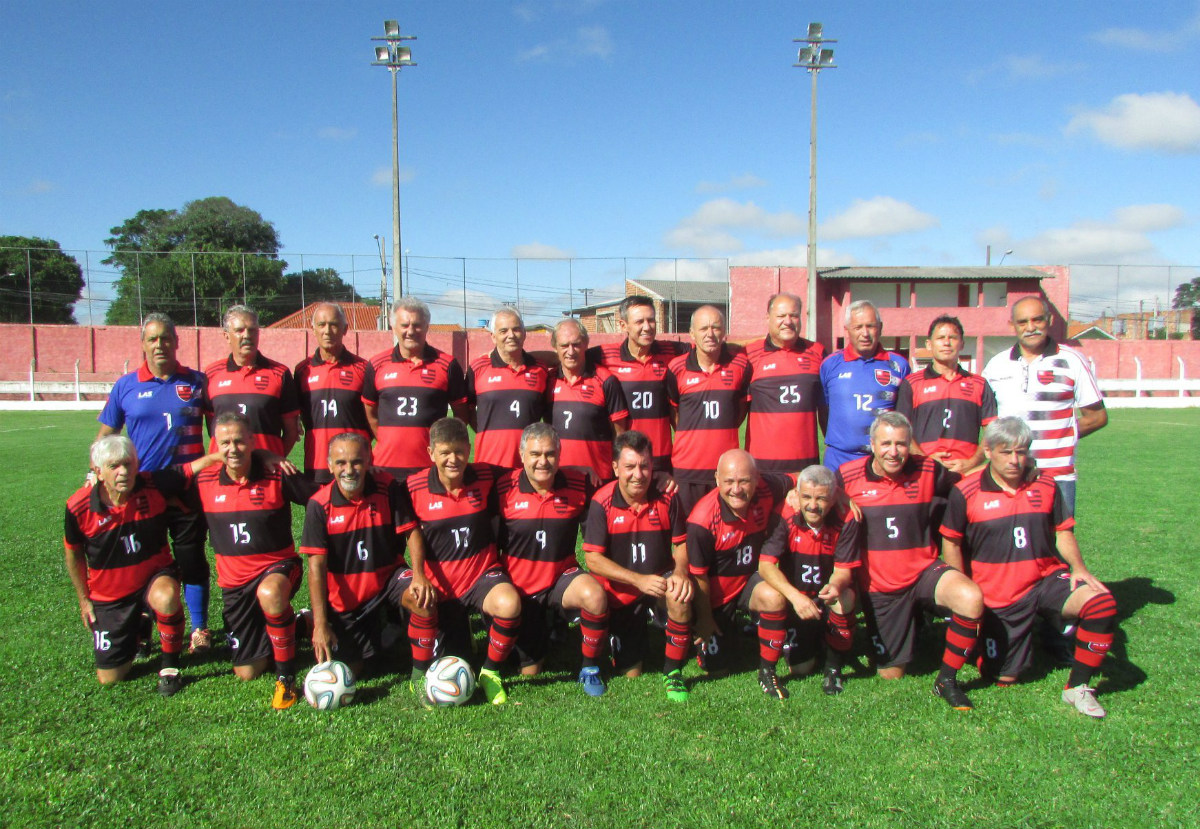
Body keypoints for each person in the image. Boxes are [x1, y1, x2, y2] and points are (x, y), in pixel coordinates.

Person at [940, 417, 1117, 718]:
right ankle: (985, 646)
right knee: (1003, 677)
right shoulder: (966, 491)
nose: (1015, 460)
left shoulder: (1045, 484)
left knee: (1101, 604)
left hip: (1045, 579)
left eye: (1021, 452)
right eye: (1006, 452)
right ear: (988, 451)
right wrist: (963, 592)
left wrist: (1079, 568)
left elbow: (1063, 532)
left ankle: (1077, 688)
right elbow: (952, 544)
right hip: (999, 594)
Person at [835, 411, 984, 710]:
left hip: (924, 571)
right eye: (886, 443)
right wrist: (806, 496)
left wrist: (1003, 466)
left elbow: (966, 482)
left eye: (901, 444)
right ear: (872, 444)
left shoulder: (928, 470)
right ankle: (910, 628)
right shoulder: (847, 476)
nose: (894, 452)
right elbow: (815, 489)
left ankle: (947, 680)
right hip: (881, 586)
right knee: (891, 674)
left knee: (970, 597)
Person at [64, 436, 219, 695]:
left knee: (167, 596)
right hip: (110, 596)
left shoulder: (152, 484)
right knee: (111, 677)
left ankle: (170, 667)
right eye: (114, 466)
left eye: (128, 464)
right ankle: (139, 624)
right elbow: (73, 554)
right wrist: (84, 599)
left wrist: (218, 456)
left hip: (153, 577)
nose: (123, 472)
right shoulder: (78, 507)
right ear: (98, 472)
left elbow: (188, 469)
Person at [96, 313, 214, 653]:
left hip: (188, 487)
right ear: (143, 344)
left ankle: (200, 629)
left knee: (191, 559)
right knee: (145, 563)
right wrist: (97, 470)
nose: (159, 344)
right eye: (152, 339)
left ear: (177, 342)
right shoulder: (126, 386)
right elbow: (106, 436)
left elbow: (216, 431)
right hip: (143, 491)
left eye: (165, 338)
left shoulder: (196, 382)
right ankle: (146, 625)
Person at [189, 412, 318, 709]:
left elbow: (318, 498)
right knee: (248, 671)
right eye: (225, 443)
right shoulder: (205, 481)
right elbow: (165, 481)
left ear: (251, 441)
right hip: (235, 585)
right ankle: (297, 624)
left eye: (239, 441)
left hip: (279, 568)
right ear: (215, 445)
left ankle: (286, 679)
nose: (233, 449)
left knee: (270, 594)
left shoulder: (276, 473)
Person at [395, 417, 522, 705]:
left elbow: (523, 476)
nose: (454, 459)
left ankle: (490, 673)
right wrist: (418, 574)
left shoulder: (486, 476)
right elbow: (407, 531)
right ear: (431, 453)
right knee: (455, 652)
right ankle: (418, 672)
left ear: (470, 449)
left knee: (509, 603)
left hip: (481, 576)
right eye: (445, 452)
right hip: (439, 585)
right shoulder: (412, 488)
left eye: (460, 451)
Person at [497, 422, 609, 695]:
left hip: (561, 579)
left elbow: (617, 491)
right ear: (522, 455)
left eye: (550, 454)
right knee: (530, 672)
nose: (542, 461)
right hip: (521, 588)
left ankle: (590, 667)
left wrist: (661, 481)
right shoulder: (502, 487)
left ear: (560, 455)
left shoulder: (579, 484)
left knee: (594, 596)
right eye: (535, 454)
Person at [582, 430, 693, 701]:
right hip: (622, 593)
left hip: (660, 582)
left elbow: (681, 544)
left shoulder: (668, 497)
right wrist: (638, 580)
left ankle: (673, 673)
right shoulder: (602, 502)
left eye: (644, 465)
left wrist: (679, 572)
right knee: (631, 671)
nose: (638, 474)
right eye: (630, 466)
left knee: (679, 593)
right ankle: (615, 638)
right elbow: (593, 559)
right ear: (616, 467)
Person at [685, 449, 799, 700]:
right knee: (719, 670)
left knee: (773, 597)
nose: (736, 489)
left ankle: (767, 671)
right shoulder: (702, 520)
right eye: (729, 481)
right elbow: (700, 578)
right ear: (717, 479)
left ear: (758, 478)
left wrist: (798, 493)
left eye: (744, 481)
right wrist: (704, 619)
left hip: (748, 581)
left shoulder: (768, 487)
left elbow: (801, 477)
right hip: (715, 595)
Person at [299, 433, 411, 677]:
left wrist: (421, 576)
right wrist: (321, 624)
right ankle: (307, 621)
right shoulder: (319, 505)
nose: (349, 470)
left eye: (356, 462)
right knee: (354, 670)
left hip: (386, 582)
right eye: (341, 463)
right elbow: (316, 567)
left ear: (369, 460)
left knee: (419, 595)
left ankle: (423, 658)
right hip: (346, 601)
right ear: (329, 465)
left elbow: (411, 532)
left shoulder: (387, 486)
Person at [981, 296, 1106, 515]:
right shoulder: (996, 365)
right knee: (1009, 546)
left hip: (1057, 475)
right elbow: (987, 419)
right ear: (1013, 325)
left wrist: (1062, 437)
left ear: (1049, 320)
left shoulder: (1073, 360)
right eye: (1023, 322)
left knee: (1058, 543)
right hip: (1008, 475)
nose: (1030, 327)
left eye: (1037, 320)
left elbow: (1097, 417)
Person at [758, 465, 859, 695]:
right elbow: (765, 565)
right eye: (806, 497)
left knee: (845, 596)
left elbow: (844, 571)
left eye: (821, 498)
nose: (812, 505)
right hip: (798, 602)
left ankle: (833, 669)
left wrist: (834, 586)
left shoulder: (846, 517)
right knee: (800, 668)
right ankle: (821, 639)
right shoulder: (784, 513)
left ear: (834, 498)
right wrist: (796, 598)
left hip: (825, 597)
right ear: (797, 494)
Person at [361, 297, 470, 479]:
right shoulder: (377, 364)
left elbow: (461, 415)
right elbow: (370, 412)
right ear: (393, 327)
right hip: (384, 469)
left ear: (427, 326)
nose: (410, 331)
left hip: (429, 469)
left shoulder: (447, 365)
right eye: (404, 325)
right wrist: (389, 442)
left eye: (417, 325)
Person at [665, 304, 751, 515]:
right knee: (686, 537)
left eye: (715, 327)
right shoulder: (676, 368)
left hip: (726, 472)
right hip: (687, 471)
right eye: (703, 329)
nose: (710, 334)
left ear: (724, 332)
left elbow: (739, 412)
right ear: (692, 333)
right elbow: (675, 414)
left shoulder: (740, 365)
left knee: (726, 535)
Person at [588, 295, 687, 473]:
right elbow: (567, 356)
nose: (647, 327)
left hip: (661, 461)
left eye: (651, 320)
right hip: (627, 460)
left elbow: (711, 347)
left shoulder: (672, 351)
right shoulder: (604, 355)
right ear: (623, 325)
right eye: (639, 321)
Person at [895, 315, 997, 472]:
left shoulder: (979, 384)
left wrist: (971, 463)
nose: (946, 343)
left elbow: (992, 431)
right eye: (940, 338)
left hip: (966, 473)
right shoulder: (912, 384)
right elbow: (901, 431)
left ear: (962, 343)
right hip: (924, 472)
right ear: (929, 344)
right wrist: (926, 460)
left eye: (953, 338)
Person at [820, 300, 910, 471]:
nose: (865, 333)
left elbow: (906, 415)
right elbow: (824, 412)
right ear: (847, 330)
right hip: (839, 459)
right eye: (858, 327)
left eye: (870, 326)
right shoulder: (830, 365)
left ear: (881, 328)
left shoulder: (899, 365)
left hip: (881, 459)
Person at [744, 293, 827, 472]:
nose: (787, 321)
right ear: (768, 317)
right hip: (761, 467)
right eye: (781, 316)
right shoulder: (749, 355)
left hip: (805, 466)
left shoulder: (818, 353)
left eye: (794, 315)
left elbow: (828, 409)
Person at [204, 305, 301, 457]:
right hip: (223, 473)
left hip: (266, 474)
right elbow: (212, 428)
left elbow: (291, 431)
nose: (247, 335)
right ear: (227, 336)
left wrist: (275, 458)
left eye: (252, 330)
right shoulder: (211, 374)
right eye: (239, 330)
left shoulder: (280, 373)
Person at [294, 302, 371, 484]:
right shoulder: (302, 371)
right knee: (319, 512)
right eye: (321, 325)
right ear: (313, 329)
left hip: (355, 464)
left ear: (345, 329)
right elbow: (292, 417)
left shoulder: (364, 369)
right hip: (318, 465)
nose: (327, 331)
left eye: (334, 324)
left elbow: (374, 417)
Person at [466, 307, 550, 469]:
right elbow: (466, 412)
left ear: (524, 333)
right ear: (493, 336)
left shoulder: (540, 369)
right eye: (503, 330)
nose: (511, 335)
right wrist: (490, 434)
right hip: (488, 465)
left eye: (516, 329)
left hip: (529, 468)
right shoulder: (478, 368)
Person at [546, 318, 628, 480]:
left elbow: (620, 434)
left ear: (586, 344)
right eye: (564, 346)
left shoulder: (606, 381)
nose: (570, 351)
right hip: (558, 480)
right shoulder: (547, 381)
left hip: (598, 479)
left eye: (576, 344)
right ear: (555, 347)